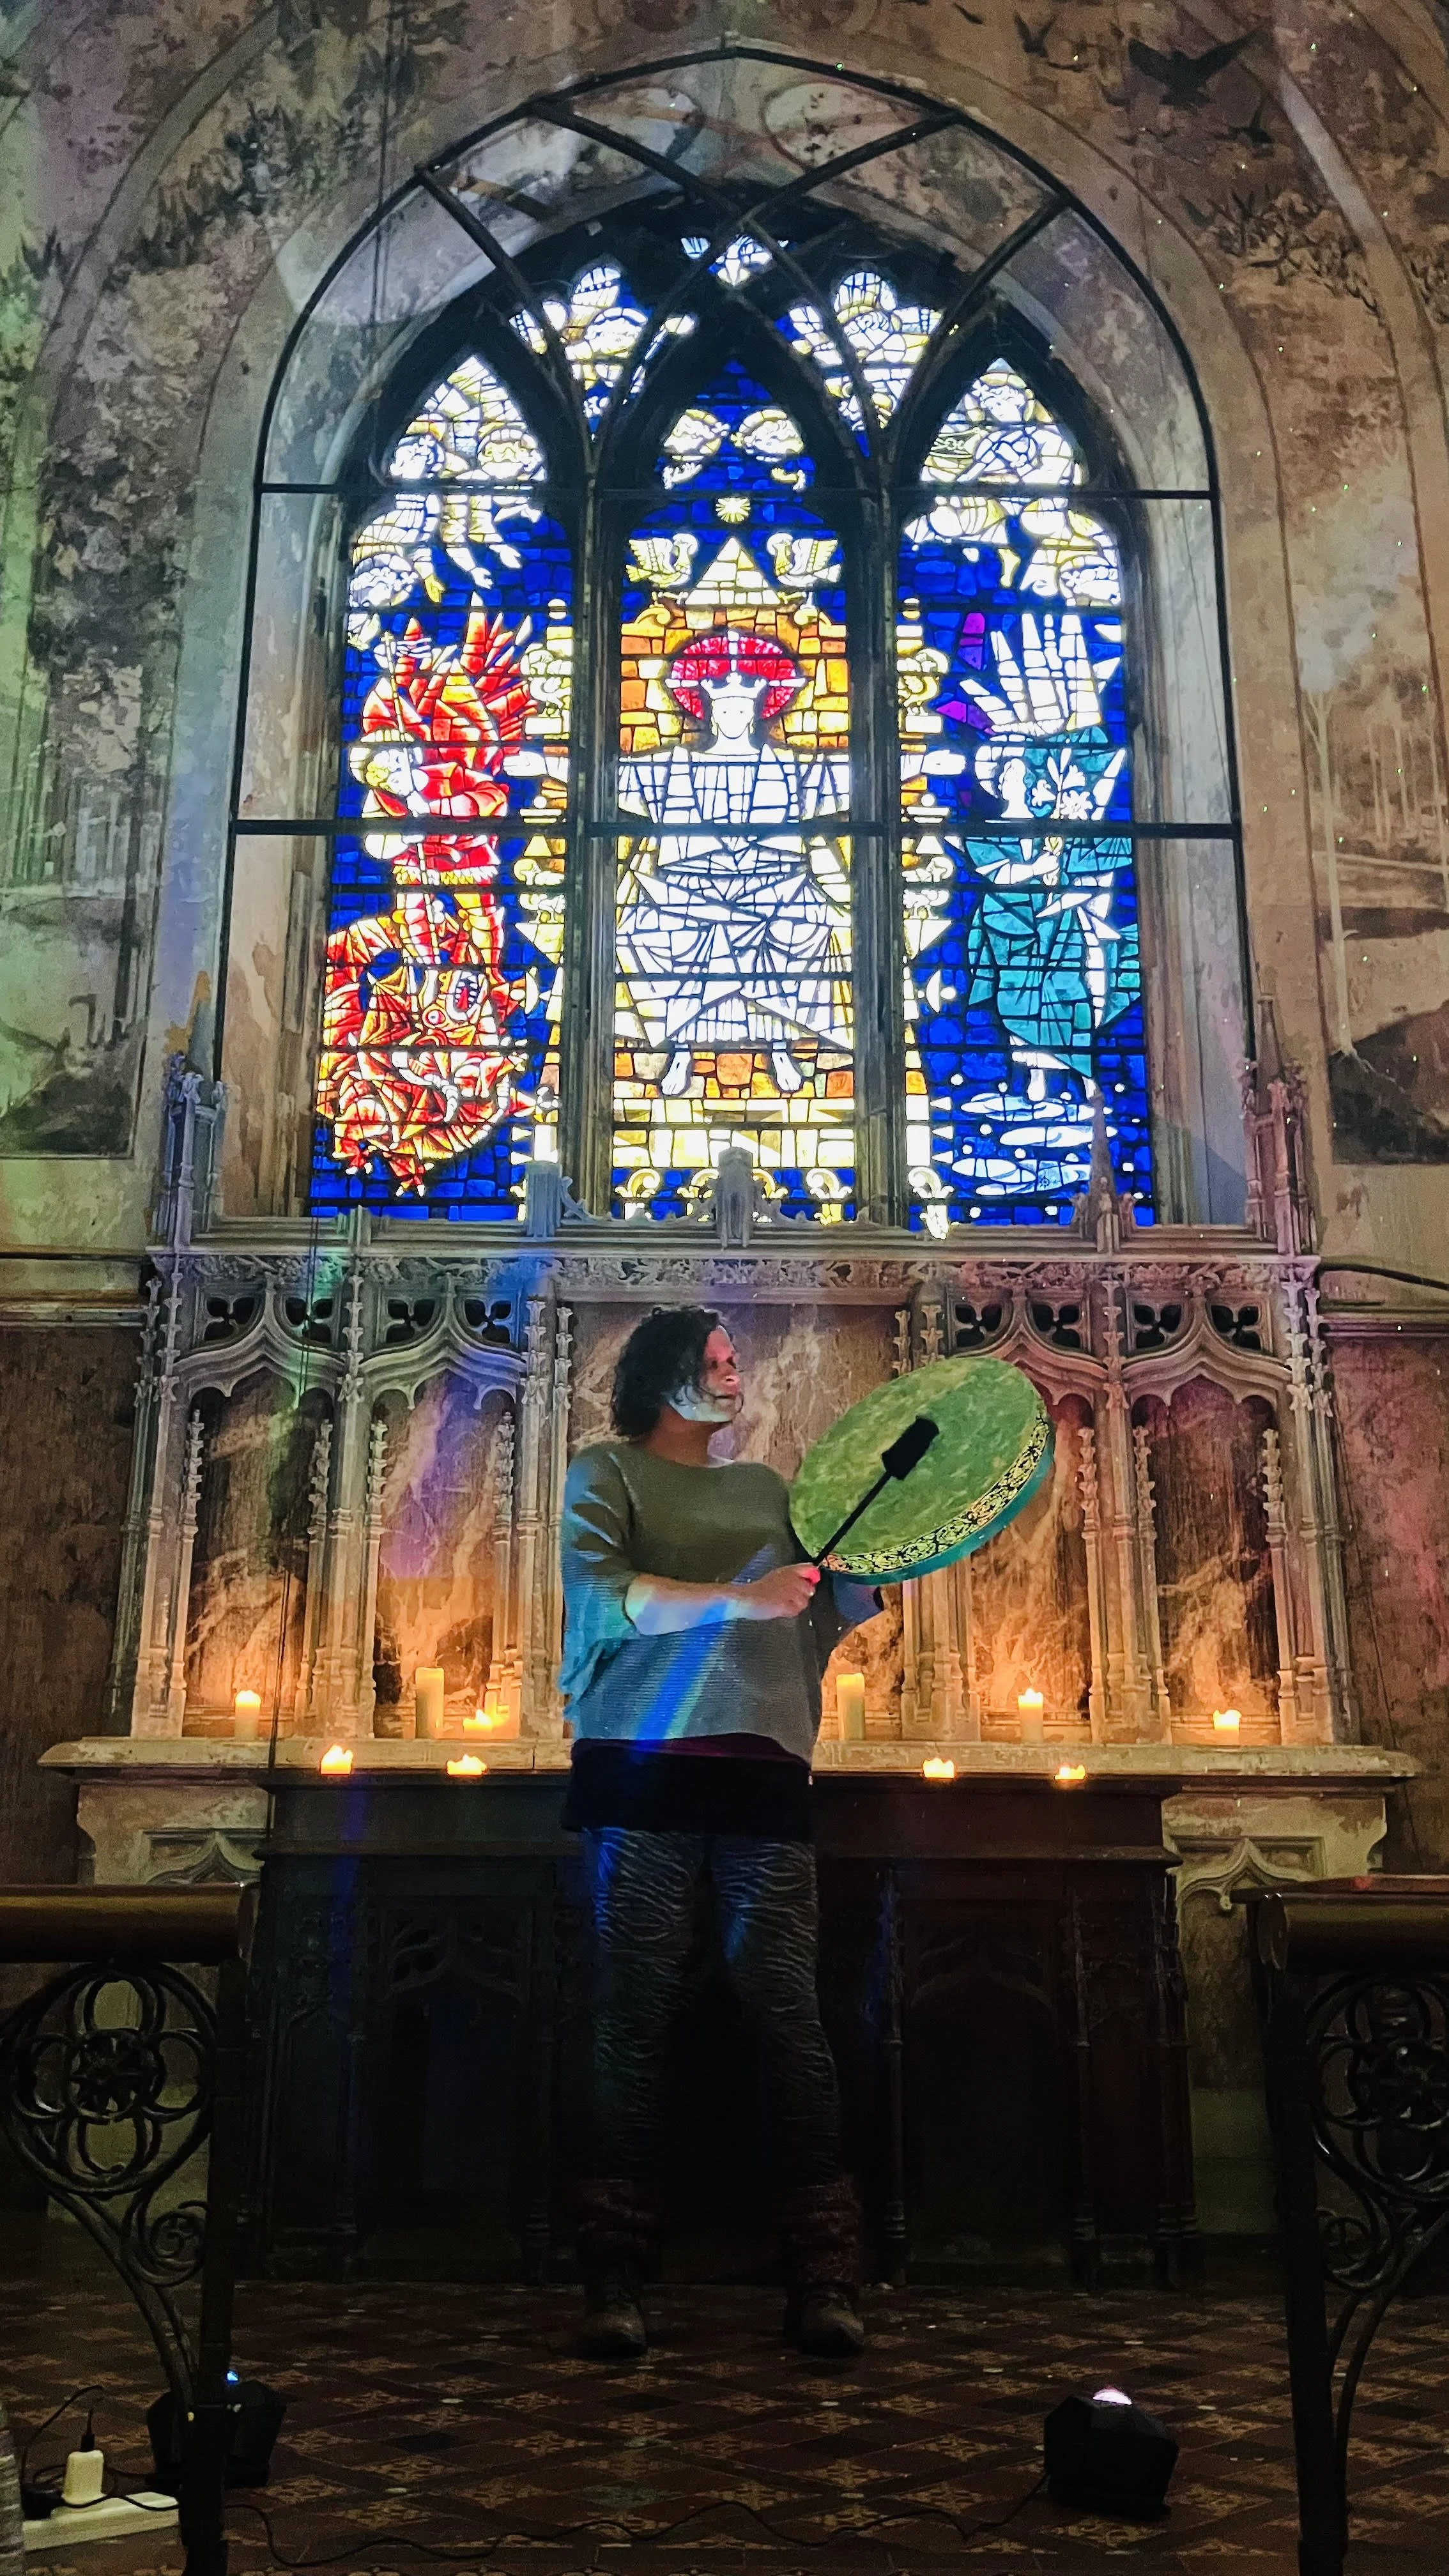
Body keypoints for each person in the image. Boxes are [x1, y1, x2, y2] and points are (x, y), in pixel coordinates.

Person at [558, 1305, 879, 2362]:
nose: (736, 1375)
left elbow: (823, 1607)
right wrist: (745, 1600)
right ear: (664, 1378)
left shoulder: (767, 1491)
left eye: (736, 1360)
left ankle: (824, 2272)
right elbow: (609, 1602)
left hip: (759, 1765)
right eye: (716, 1361)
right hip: (640, 1767)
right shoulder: (606, 1474)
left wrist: (893, 1545)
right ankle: (613, 2275)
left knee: (788, 2012)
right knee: (632, 2013)